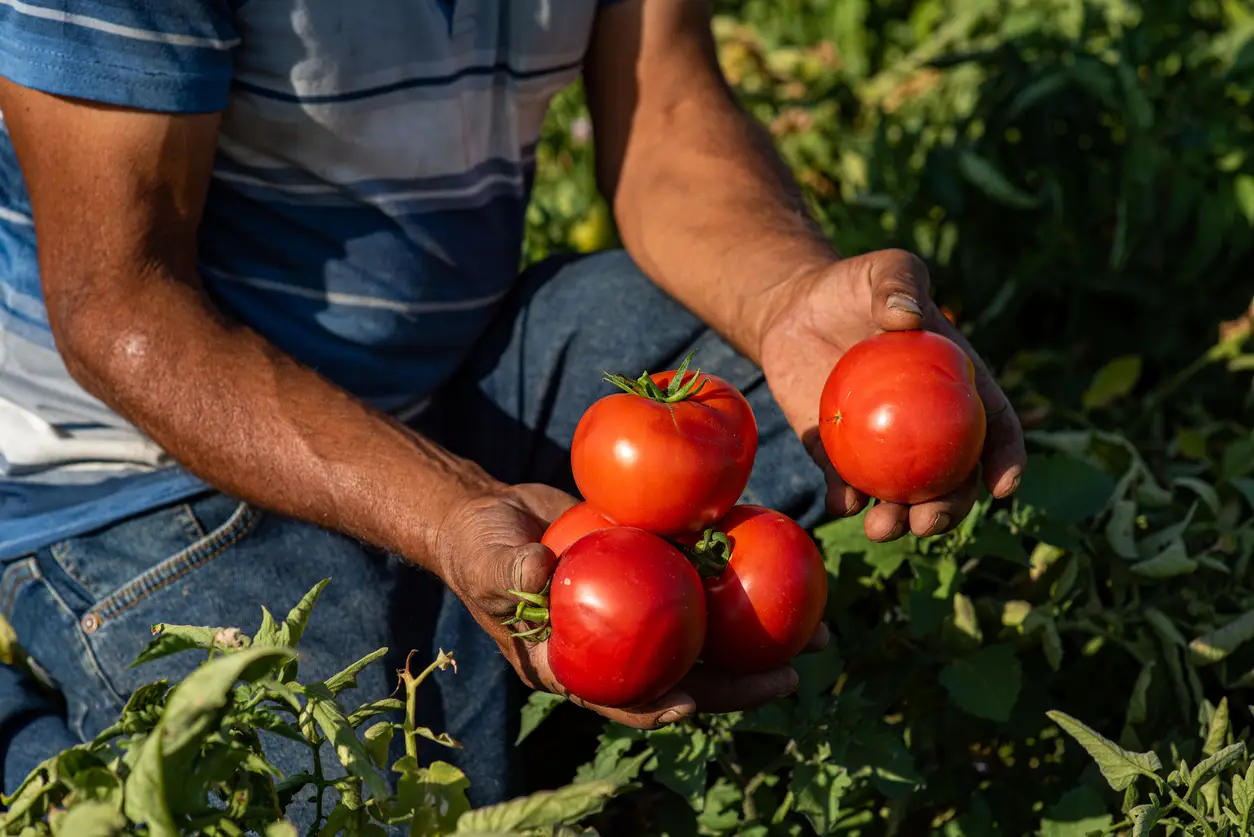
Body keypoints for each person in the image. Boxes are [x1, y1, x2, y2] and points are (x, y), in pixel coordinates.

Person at [0, 0, 1026, 819]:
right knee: (366, 795)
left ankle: (468, 650)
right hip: (132, 462)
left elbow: (665, 111)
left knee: (790, 413)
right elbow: (118, 304)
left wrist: (789, 301)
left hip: (456, 363)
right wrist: (444, 508)